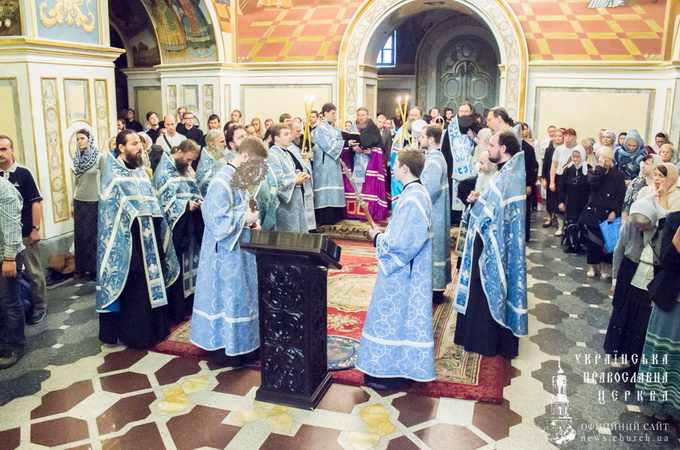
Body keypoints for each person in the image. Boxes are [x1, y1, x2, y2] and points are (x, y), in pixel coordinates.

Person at [357, 149, 434, 390]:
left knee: (395, 316)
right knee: (402, 317)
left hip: (403, 273)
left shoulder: (412, 199)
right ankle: (397, 367)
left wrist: (378, 238)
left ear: (405, 169)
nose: (392, 168)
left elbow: (403, 245)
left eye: (396, 164)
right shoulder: (416, 193)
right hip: (409, 270)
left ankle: (389, 372)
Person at [97, 130, 180, 348]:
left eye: (140, 143)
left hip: (150, 237)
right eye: (134, 144)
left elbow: (152, 204)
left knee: (153, 282)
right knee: (135, 288)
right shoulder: (113, 176)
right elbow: (111, 213)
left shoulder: (142, 173)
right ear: (121, 147)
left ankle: (157, 329)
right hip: (129, 244)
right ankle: (136, 334)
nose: (139, 147)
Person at [190, 137, 268, 367]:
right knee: (229, 299)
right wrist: (245, 218)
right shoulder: (221, 180)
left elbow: (245, 207)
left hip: (240, 249)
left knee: (243, 297)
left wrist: (254, 221)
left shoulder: (239, 177)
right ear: (245, 156)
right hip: (224, 254)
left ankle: (245, 346)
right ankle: (227, 349)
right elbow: (214, 218)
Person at [454, 130, 527, 359]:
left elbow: (499, 213)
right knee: (479, 289)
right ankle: (474, 336)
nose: (488, 150)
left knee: (487, 288)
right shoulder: (505, 172)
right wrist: (477, 200)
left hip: (494, 243)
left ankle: (485, 341)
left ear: (503, 149)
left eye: (492, 145)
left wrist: (481, 204)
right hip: (485, 239)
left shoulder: (510, 176)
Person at [605, 196, 666, 372]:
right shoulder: (631, 225)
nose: (639, 229)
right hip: (629, 274)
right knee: (624, 315)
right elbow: (619, 250)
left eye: (643, 227)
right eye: (637, 226)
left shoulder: (664, 228)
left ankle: (636, 361)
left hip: (651, 279)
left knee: (641, 322)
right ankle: (621, 353)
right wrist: (615, 279)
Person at [153, 139, 204, 324]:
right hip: (175, 227)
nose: (190, 164)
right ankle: (177, 308)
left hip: (189, 224)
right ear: (180, 152)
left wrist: (198, 202)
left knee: (192, 264)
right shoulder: (164, 170)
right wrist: (185, 205)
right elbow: (163, 201)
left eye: (192, 161)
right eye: (189, 159)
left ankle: (190, 303)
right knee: (178, 265)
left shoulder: (187, 169)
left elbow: (194, 189)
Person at [636, 220, 680, 422]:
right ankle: (661, 404)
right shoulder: (675, 218)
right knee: (666, 356)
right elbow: (666, 263)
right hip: (672, 299)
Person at [0, 135, 46, 325]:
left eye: (4, 149)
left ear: (12, 151)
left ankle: (39, 306)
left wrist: (35, 229)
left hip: (25, 231)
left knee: (33, 271)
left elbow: (36, 202)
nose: (1, 153)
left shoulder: (23, 173)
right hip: (3, 238)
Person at [485, 107, 538, 241]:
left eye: (490, 119)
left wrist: (529, 184)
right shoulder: (501, 138)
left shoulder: (518, 142)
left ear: (499, 119)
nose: (487, 123)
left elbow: (530, 165)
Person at [579, 146, 626, 279]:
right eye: (601, 157)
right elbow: (592, 185)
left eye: (606, 158)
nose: (603, 161)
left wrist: (615, 211)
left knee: (606, 241)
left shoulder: (617, 175)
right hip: (593, 211)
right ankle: (592, 266)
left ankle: (604, 266)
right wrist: (599, 169)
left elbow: (620, 195)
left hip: (608, 212)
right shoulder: (593, 172)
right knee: (593, 241)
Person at [418, 125, 451, 304]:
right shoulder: (435, 157)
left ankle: (434, 289)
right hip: (438, 211)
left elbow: (429, 190)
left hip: (434, 212)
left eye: (422, 136)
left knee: (434, 248)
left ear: (431, 139)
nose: (419, 139)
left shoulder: (433, 161)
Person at [342, 107, 388, 221]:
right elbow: (347, 146)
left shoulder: (373, 128)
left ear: (367, 115)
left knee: (367, 186)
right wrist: (353, 149)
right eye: (359, 115)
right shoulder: (353, 127)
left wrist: (371, 151)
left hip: (369, 162)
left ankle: (367, 212)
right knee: (355, 185)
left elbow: (380, 147)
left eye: (363, 115)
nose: (361, 117)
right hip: (354, 161)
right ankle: (355, 212)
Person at [71, 129, 105, 280]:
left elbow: (105, 179)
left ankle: (93, 269)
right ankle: (81, 267)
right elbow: (76, 182)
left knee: (92, 235)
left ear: (89, 139)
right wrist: (72, 203)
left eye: (82, 138)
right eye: (77, 139)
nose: (79, 141)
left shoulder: (99, 158)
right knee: (81, 235)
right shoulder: (77, 158)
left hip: (94, 199)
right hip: (80, 199)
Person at [0, 175, 25, 369]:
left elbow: (11, 225)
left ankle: (14, 346)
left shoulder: (3, 187)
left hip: (5, 256)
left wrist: (9, 258)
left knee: (9, 302)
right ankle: (3, 343)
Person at [268, 124, 309, 232]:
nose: (290, 137)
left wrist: (300, 175)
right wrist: (295, 180)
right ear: (276, 138)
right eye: (286, 134)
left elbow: (292, 171)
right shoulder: (272, 155)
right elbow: (276, 182)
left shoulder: (285, 153)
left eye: (290, 134)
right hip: (284, 205)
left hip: (294, 200)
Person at [440, 102, 476, 224]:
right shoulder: (451, 129)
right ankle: (454, 218)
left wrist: (474, 138)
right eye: (461, 111)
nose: (463, 114)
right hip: (454, 166)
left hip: (471, 167)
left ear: (471, 112)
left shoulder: (477, 127)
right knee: (453, 192)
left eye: (466, 111)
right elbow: (445, 149)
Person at [311, 103, 345, 225]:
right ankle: (326, 218)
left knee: (333, 186)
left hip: (332, 163)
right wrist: (343, 143)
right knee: (325, 187)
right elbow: (328, 144)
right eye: (332, 113)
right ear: (325, 113)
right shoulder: (321, 127)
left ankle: (335, 215)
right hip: (324, 163)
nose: (334, 116)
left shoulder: (330, 127)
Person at [557, 146, 591, 253]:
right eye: (574, 157)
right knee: (570, 222)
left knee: (581, 223)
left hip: (583, 202)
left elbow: (591, 188)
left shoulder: (588, 169)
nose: (575, 159)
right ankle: (570, 244)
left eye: (578, 157)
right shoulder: (568, 169)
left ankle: (580, 245)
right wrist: (561, 201)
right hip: (570, 201)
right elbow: (562, 187)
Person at [550, 128, 582, 237]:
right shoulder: (559, 149)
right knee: (560, 201)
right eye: (566, 136)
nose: (567, 138)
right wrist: (552, 181)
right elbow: (553, 166)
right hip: (560, 177)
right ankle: (560, 226)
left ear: (575, 137)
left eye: (570, 136)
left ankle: (571, 226)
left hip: (573, 176)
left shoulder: (578, 149)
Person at [288, 121, 316, 231]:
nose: (301, 133)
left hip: (304, 181)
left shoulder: (300, 143)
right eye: (298, 131)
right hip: (297, 183)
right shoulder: (289, 148)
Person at [621, 154, 662, 222]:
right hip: (634, 220)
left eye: (647, 164)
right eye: (643, 163)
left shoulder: (661, 183)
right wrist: (623, 221)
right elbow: (626, 203)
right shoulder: (636, 182)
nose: (643, 166)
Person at [541, 128, 563, 228]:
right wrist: (544, 178)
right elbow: (545, 164)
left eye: (560, 136)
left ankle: (560, 220)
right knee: (550, 198)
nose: (558, 138)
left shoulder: (564, 149)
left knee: (560, 198)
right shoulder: (549, 149)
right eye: (556, 136)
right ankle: (549, 218)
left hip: (561, 177)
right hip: (550, 177)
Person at [195, 129, 227, 196]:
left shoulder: (219, 157)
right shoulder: (205, 169)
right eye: (222, 142)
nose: (225, 144)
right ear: (212, 144)